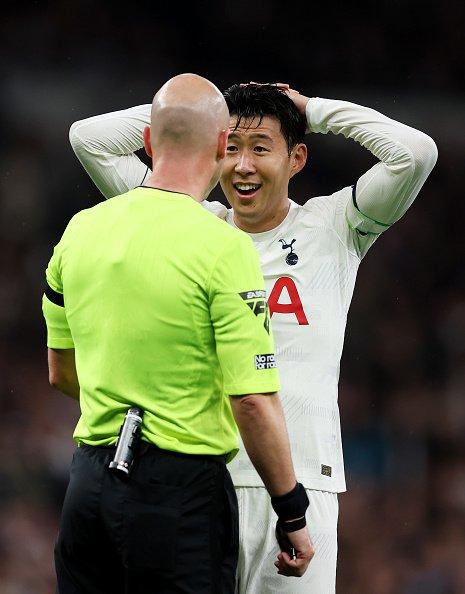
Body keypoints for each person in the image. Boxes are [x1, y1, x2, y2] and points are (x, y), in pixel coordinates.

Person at [69, 82, 438, 593]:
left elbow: (415, 153)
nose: (243, 165)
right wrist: (201, 107)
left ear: (297, 158)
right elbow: (90, 139)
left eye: (261, 148)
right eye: (233, 146)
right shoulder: (191, 224)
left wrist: (315, 109)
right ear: (216, 148)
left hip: (301, 483)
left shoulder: (334, 227)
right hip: (199, 480)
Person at [43, 74, 314, 594]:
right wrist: (292, 510)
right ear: (221, 144)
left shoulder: (80, 230)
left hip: (88, 488)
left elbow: (60, 373)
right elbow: (253, 401)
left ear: (146, 143)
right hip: (179, 495)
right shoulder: (223, 248)